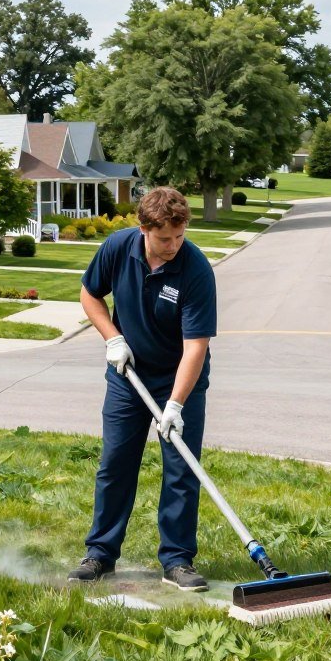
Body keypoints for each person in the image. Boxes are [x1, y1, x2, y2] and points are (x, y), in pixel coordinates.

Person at [67, 186, 217, 592]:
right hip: (127, 377)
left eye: (180, 236)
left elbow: (196, 347)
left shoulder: (195, 269)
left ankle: (177, 559)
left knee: (182, 469)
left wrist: (175, 405)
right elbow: (90, 292)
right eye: (164, 238)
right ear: (143, 229)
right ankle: (100, 553)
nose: (173, 245)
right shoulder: (118, 248)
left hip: (179, 379)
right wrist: (112, 337)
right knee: (115, 463)